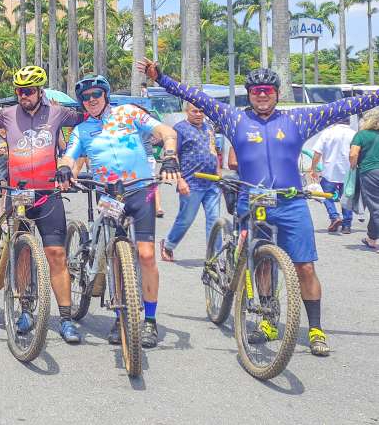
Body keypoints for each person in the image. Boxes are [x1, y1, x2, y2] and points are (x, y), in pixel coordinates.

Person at [140, 58, 379, 357]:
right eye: (255, 91)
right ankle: (268, 321)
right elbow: (195, 96)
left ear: (277, 93)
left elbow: (346, 107)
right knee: (262, 263)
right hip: (252, 201)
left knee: (305, 266)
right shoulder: (234, 119)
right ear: (249, 94)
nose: (262, 95)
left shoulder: (298, 119)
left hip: (290, 202)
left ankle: (316, 329)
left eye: (267, 90)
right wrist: (161, 77)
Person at [63, 74, 180, 348]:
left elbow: (165, 131)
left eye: (96, 95)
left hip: (140, 190)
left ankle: (149, 320)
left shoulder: (128, 114)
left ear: (105, 95)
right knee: (113, 255)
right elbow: (69, 155)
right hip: (108, 195)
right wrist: (65, 168)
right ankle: (120, 316)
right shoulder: (82, 130)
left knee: (147, 255)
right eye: (86, 97)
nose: (91, 100)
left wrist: (171, 155)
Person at [0, 65, 87, 344]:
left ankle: (65, 319)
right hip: (18, 194)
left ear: (40, 92)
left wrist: (67, 163)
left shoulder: (57, 112)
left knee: (56, 255)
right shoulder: (6, 115)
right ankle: (25, 310)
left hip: (48, 193)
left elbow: (85, 120)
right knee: (22, 254)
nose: (24, 96)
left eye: (29, 91)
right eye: (20, 91)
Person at [160, 102, 222, 262]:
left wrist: (219, 172)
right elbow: (173, 156)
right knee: (186, 219)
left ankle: (215, 256)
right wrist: (180, 181)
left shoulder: (209, 127)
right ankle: (168, 244)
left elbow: (214, 150)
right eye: (195, 111)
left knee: (214, 220)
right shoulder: (179, 129)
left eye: (202, 111)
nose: (199, 114)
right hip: (191, 183)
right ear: (186, 111)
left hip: (212, 183)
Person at [309, 118, 356, 234]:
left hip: (330, 171)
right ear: (348, 122)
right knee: (347, 197)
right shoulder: (354, 134)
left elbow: (317, 152)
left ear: (335, 120)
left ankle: (334, 216)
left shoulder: (328, 133)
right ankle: (346, 225)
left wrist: (313, 169)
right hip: (348, 171)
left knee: (325, 195)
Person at [352, 109, 379, 250]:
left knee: (375, 207)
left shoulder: (361, 135)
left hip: (370, 172)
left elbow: (353, 154)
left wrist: (352, 167)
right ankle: (372, 238)